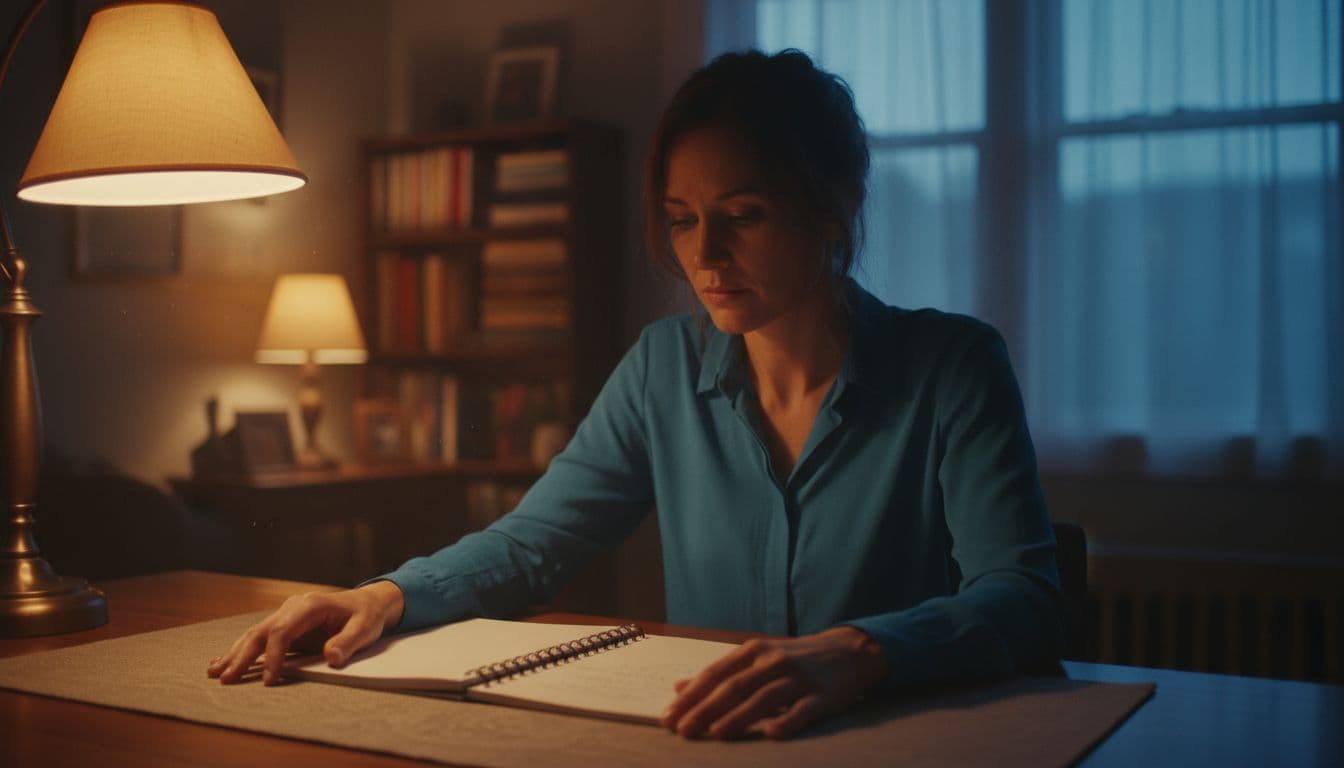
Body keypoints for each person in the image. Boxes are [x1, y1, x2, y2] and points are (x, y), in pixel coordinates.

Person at [208, 49, 1061, 741]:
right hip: (710, 742)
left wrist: (860, 652)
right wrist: (382, 596)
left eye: (746, 213)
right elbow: (536, 541)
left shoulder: (953, 365)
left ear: (834, 209)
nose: (706, 255)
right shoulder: (663, 366)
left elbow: (1020, 597)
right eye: (684, 218)